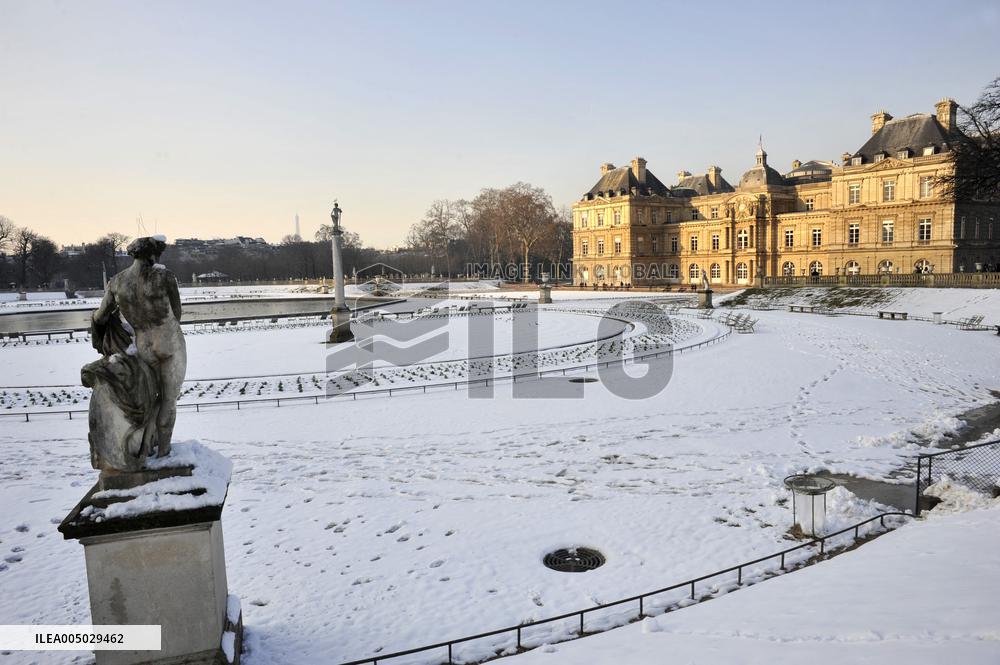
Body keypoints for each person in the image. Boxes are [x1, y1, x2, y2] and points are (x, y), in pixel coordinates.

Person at [86, 236, 186, 471]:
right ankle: (163, 451)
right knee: (168, 401)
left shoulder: (117, 282)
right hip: (169, 343)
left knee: (151, 400)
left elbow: (100, 317)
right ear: (153, 255)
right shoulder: (164, 276)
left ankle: (143, 446)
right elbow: (177, 313)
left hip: (144, 346)